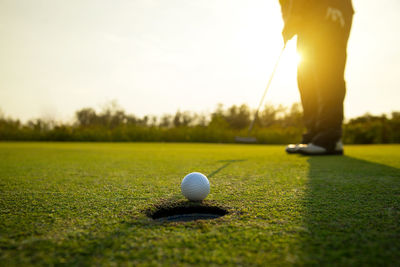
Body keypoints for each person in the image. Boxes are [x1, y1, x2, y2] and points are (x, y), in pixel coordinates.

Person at [279, 0, 354, 155]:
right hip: (306, 17)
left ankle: (329, 137)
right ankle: (314, 134)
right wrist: (289, 21)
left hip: (330, 7)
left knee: (327, 68)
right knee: (306, 75)